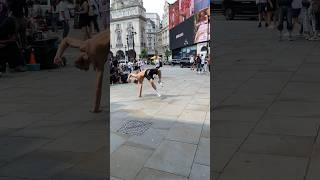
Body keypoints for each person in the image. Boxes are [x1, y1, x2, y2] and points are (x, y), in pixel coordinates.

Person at [53, 30, 110, 113]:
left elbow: (98, 87)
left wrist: (96, 108)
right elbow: (66, 40)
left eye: (87, 66)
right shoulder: (85, 45)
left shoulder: (98, 59)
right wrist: (58, 55)